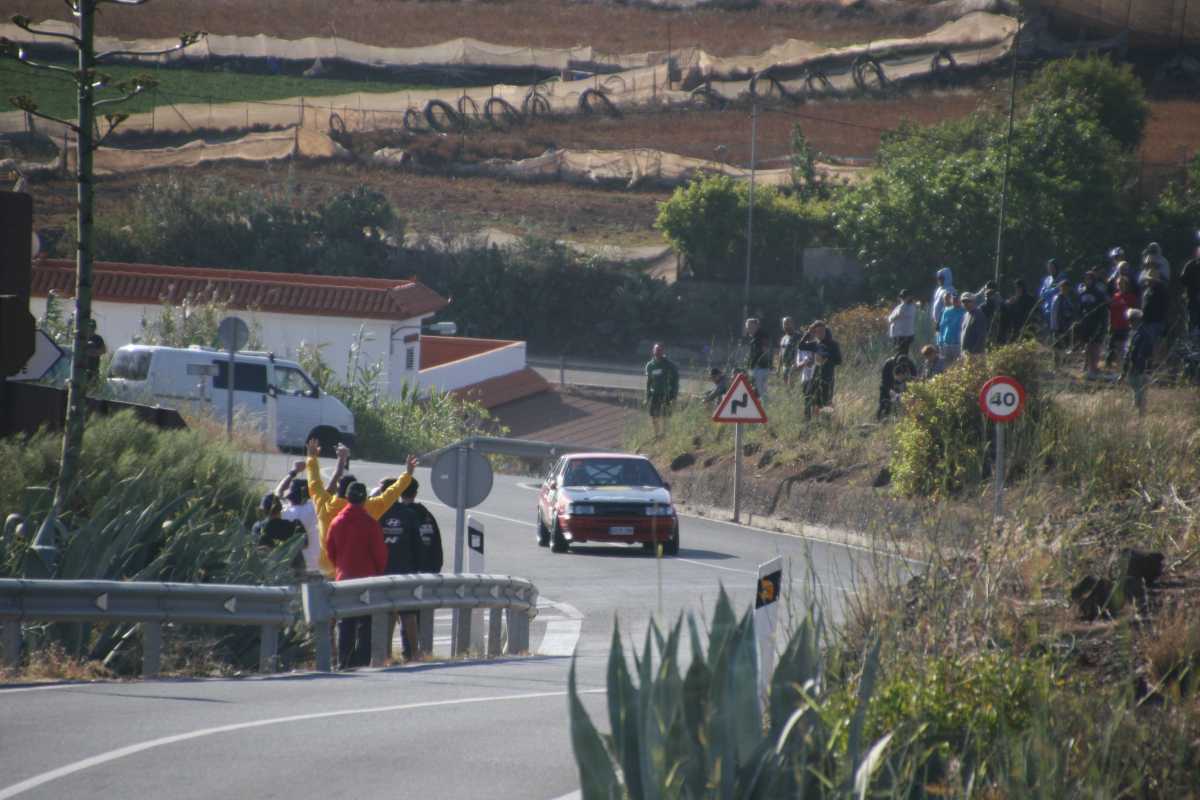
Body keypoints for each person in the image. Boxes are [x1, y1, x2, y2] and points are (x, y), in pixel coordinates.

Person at [305, 439, 417, 578]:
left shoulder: (323, 504)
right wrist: (408, 474)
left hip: (330, 571)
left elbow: (314, 482)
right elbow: (391, 494)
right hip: (361, 575)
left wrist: (311, 457)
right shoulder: (369, 508)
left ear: (340, 490)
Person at [377, 478, 443, 661]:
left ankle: (388, 654)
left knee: (391, 613)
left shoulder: (379, 513)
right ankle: (414, 652)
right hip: (409, 572)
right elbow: (425, 545)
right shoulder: (421, 515)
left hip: (384, 572)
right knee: (409, 613)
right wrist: (424, 568)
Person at [326, 481, 387, 669]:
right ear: (365, 499)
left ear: (347, 497)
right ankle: (361, 661)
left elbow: (330, 551)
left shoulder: (337, 522)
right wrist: (377, 573)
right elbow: (380, 554)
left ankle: (344, 661)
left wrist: (340, 567)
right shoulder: (370, 523)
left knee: (345, 622)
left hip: (344, 579)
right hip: (367, 579)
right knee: (365, 623)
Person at [275, 461, 320, 572]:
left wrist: (294, 471)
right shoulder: (313, 509)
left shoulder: (284, 511)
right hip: (313, 564)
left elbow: (278, 492)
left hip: (289, 564)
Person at [796, 320, 842, 420]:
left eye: (822, 331)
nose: (820, 333)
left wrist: (826, 358)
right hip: (815, 377)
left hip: (828, 377)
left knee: (826, 401)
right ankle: (808, 421)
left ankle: (827, 422)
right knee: (808, 397)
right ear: (815, 333)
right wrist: (808, 333)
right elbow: (801, 345)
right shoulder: (815, 344)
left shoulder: (833, 344)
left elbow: (839, 361)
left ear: (825, 331)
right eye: (817, 331)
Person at [253, 493, 306, 575]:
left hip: (268, 573)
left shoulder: (258, 527)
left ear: (264, 511)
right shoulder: (294, 526)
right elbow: (305, 544)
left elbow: (256, 550)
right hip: (294, 573)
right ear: (280, 508)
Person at [1076, 270, 1109, 378]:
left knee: (1095, 346)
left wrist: (1103, 325)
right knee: (1086, 346)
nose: (1087, 281)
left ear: (1093, 280)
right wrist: (1079, 321)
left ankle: (1094, 368)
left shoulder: (1099, 294)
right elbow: (1079, 309)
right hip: (1085, 323)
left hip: (1096, 323)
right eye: (1086, 279)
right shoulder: (1082, 293)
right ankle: (1086, 366)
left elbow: (1103, 310)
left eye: (1089, 279)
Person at [1120, 309, 1153, 415]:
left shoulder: (1144, 335)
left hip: (1140, 370)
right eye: (1129, 320)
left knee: (1140, 397)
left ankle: (1141, 417)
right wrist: (1124, 372)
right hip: (1133, 369)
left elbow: (1143, 354)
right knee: (1136, 395)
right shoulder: (1134, 333)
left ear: (1138, 320)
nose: (1130, 323)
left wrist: (1138, 369)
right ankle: (1138, 417)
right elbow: (1128, 354)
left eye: (1132, 320)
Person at [644, 343, 679, 438]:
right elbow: (649, 381)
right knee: (653, 415)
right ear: (653, 351)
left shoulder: (668, 364)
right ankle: (656, 434)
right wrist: (647, 397)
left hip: (666, 394)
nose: (658, 352)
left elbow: (675, 379)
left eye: (660, 350)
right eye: (656, 350)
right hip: (655, 393)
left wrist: (674, 395)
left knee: (666, 415)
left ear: (663, 351)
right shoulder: (650, 365)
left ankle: (665, 434)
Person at [1106, 275, 1138, 369]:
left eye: (1123, 284)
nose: (1120, 286)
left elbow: (1133, 311)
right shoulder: (1115, 296)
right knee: (1112, 348)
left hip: (1125, 326)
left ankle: (1123, 367)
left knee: (1124, 348)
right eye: (1119, 284)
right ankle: (1112, 366)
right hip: (1114, 325)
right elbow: (1111, 310)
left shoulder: (1131, 297)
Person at [1140, 270, 1169, 364]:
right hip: (1147, 321)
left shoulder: (1161, 291)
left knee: (1156, 343)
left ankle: (1157, 362)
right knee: (1149, 343)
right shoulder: (1147, 290)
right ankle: (1150, 362)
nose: (1149, 282)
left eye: (1151, 280)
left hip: (1156, 321)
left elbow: (1163, 307)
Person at [876, 354, 916, 421]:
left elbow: (915, 378)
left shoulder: (910, 364)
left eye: (904, 366)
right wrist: (890, 391)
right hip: (889, 386)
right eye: (901, 366)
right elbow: (884, 381)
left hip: (904, 385)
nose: (902, 367)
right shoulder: (889, 364)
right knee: (885, 403)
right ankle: (881, 419)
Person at [999, 279, 1037, 344]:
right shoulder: (1014, 299)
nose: (1017, 289)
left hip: (1026, 325)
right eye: (1016, 287)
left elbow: (1033, 312)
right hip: (1016, 326)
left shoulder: (1029, 299)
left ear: (1023, 288)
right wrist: (1008, 303)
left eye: (1019, 287)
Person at [744, 318, 771, 403]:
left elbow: (765, 351)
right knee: (756, 390)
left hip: (761, 368)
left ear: (757, 326)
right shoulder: (754, 337)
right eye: (748, 327)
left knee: (762, 390)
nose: (749, 329)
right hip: (755, 368)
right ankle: (762, 406)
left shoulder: (762, 335)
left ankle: (766, 406)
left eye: (751, 327)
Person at [1050, 279, 1076, 366]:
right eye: (1063, 287)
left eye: (1067, 288)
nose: (1065, 289)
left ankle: (1063, 364)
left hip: (1066, 326)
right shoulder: (1058, 298)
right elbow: (1055, 314)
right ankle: (1056, 365)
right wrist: (1055, 327)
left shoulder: (1067, 299)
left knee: (1065, 346)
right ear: (1060, 288)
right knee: (1057, 346)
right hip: (1058, 326)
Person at [1180, 236, 1200, 337]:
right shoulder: (1191, 265)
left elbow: (1183, 279)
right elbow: (1183, 280)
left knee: (1193, 319)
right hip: (1193, 297)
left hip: (1193, 297)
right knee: (1193, 320)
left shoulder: (1191, 264)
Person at [887, 290, 917, 355]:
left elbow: (898, 314)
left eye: (904, 297)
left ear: (909, 297)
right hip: (897, 335)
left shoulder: (910, 307)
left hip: (904, 335)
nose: (902, 299)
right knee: (897, 354)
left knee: (902, 355)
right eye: (902, 297)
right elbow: (890, 318)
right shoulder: (900, 306)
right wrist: (891, 318)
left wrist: (892, 317)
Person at [937, 292, 965, 363]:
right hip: (947, 342)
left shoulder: (964, 311)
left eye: (957, 299)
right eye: (953, 299)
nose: (955, 301)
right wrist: (940, 341)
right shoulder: (947, 311)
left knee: (959, 364)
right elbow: (942, 327)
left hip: (958, 343)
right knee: (946, 364)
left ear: (960, 300)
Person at [959, 292, 987, 356]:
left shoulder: (978, 314)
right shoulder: (965, 315)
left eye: (968, 301)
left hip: (976, 354)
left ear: (973, 301)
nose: (965, 303)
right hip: (965, 353)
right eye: (963, 301)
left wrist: (973, 352)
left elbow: (981, 336)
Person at [1038, 258, 1061, 332]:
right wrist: (1045, 293)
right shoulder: (1047, 279)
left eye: (1052, 267)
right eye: (1049, 267)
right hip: (1046, 308)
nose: (1050, 269)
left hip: (1058, 307)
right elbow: (1042, 292)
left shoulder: (1060, 277)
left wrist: (1047, 292)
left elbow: (1056, 289)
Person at [777, 317, 800, 385]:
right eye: (784, 324)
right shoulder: (783, 338)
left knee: (793, 385)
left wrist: (797, 364)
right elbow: (781, 354)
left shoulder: (798, 336)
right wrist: (778, 368)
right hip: (785, 366)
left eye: (788, 323)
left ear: (792, 324)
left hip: (794, 366)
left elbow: (801, 351)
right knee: (786, 387)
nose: (786, 326)